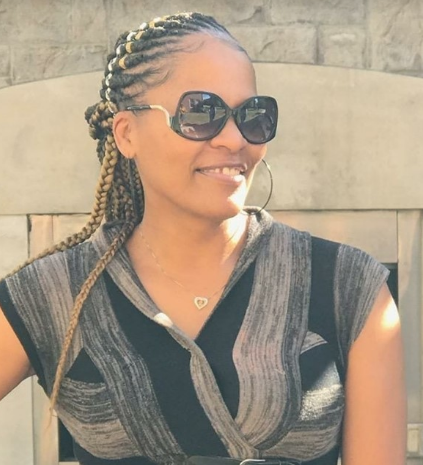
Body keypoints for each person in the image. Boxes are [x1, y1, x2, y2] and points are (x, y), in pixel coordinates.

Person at [0, 11, 406, 465]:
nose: (234, 139)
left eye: (253, 116)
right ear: (127, 133)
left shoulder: (349, 287)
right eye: (200, 112)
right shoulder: (60, 293)